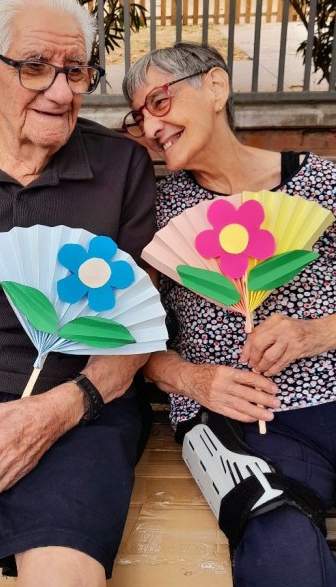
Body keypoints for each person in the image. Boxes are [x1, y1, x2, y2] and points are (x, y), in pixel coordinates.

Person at [0, 0, 158, 587]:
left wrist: (56, 411)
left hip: (74, 402)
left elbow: (138, 325)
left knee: (64, 577)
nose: (60, 92)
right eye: (34, 67)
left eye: (75, 71)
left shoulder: (121, 166)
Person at [121, 42, 336, 587]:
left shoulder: (324, 182)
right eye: (139, 115)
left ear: (216, 87)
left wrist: (315, 332)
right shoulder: (155, 210)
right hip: (236, 422)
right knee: (282, 547)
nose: (151, 126)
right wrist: (192, 379)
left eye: (159, 102)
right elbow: (125, 338)